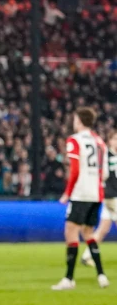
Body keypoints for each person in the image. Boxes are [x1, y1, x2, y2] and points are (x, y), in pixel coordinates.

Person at [52, 108, 109, 290]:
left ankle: (69, 279)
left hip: (81, 193)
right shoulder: (100, 142)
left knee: (70, 231)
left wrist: (68, 193)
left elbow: (75, 169)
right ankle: (101, 276)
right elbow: (105, 173)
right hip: (97, 193)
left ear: (79, 121)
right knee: (88, 233)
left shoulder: (74, 141)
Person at [82, 131, 117, 268]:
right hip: (112, 197)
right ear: (109, 141)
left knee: (103, 229)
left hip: (109, 198)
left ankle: (86, 255)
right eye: (114, 139)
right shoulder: (107, 156)